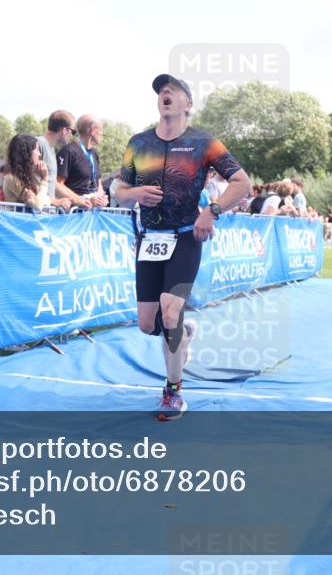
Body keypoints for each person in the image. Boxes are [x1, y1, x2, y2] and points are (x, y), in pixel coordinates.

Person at [114, 73, 250, 421]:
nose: (165, 94)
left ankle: (173, 392)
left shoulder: (204, 143)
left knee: (171, 312)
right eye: (161, 91)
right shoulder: (139, 143)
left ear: (187, 103)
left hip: (187, 237)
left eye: (172, 90)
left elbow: (242, 182)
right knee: (148, 324)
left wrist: (212, 211)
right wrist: (135, 193)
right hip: (149, 240)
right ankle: (184, 333)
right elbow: (119, 190)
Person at [56, 114, 109, 208]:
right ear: (92, 131)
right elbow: (57, 185)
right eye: (100, 129)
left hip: (93, 212)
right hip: (74, 212)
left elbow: (99, 185)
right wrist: (81, 201)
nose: (102, 133)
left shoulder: (94, 154)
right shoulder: (69, 151)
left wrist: (102, 199)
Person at [39, 110, 75, 209]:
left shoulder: (51, 148)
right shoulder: (39, 144)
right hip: (37, 212)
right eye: (72, 131)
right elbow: (29, 182)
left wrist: (78, 200)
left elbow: (52, 183)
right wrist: (53, 201)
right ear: (64, 130)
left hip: (45, 212)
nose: (72, 135)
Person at [2, 134, 50, 210]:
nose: (39, 154)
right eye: (37, 150)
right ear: (26, 153)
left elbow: (45, 200)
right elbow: (38, 205)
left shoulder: (27, 176)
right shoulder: (11, 178)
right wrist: (45, 179)